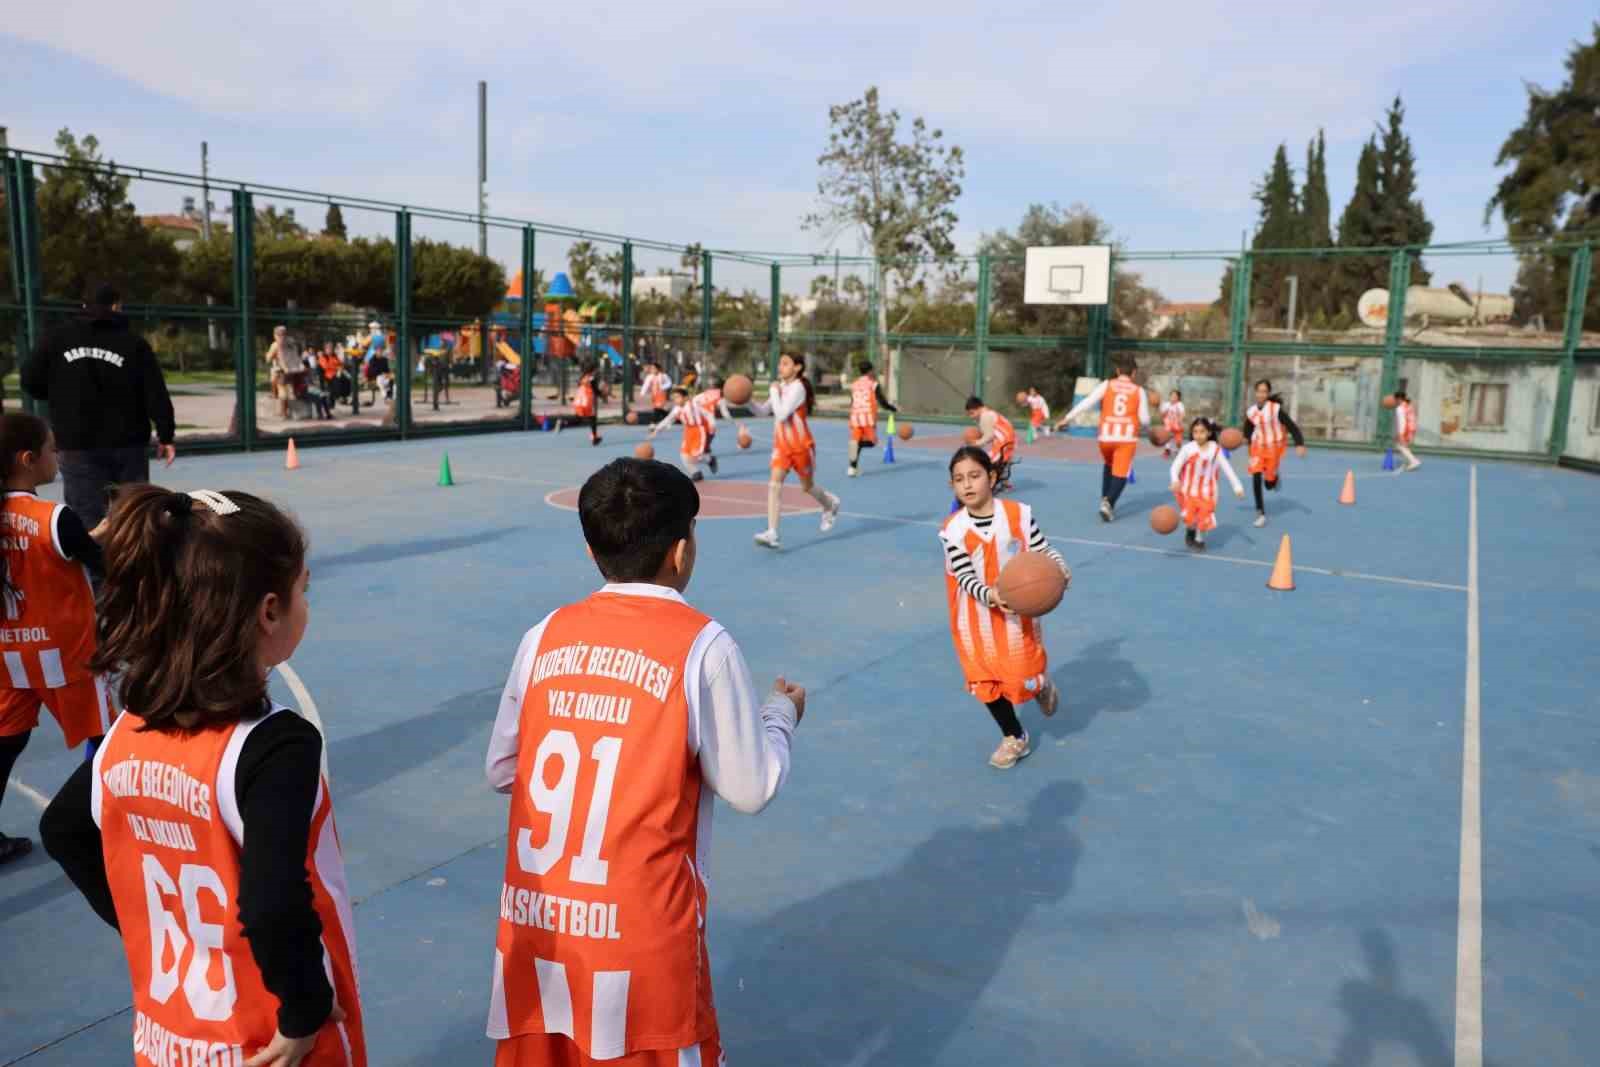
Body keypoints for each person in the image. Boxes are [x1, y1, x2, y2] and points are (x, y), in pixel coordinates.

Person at [484, 457, 804, 1066]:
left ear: (590, 551)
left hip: (539, 929)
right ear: (681, 552)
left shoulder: (543, 636)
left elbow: (503, 769)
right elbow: (752, 785)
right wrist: (779, 715)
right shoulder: (702, 645)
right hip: (640, 944)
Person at [41, 485, 366, 1066]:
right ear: (269, 611)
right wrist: (303, 1008)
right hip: (261, 1035)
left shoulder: (127, 731)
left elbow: (63, 830)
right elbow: (271, 902)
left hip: (171, 1034)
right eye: (303, 591)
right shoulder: (272, 746)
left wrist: (154, 928)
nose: (306, 604)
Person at [0, 414, 111, 865]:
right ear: (29, 460)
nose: (57, 457)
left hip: (8, 657)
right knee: (105, 743)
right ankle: (103, 825)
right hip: (66, 658)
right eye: (51, 449)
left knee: (5, 743)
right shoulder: (54, 516)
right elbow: (100, 563)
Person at [941, 446, 1067, 769]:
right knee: (984, 681)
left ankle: (1039, 683)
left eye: (974, 476)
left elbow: (1042, 549)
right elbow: (964, 576)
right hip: (974, 618)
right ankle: (1014, 736)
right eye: (958, 479)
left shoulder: (1018, 515)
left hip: (1016, 618)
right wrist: (990, 595)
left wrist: (1058, 568)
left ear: (992, 477)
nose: (967, 485)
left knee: (1021, 678)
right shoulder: (952, 530)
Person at [20, 283, 177, 530]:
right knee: (132, 513)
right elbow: (155, 392)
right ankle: (130, 564)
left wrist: (61, 398)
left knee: (86, 517)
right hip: (127, 442)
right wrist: (166, 434)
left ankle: (93, 566)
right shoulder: (133, 343)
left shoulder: (56, 338)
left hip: (76, 442)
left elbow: (29, 379)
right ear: (116, 306)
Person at [749, 353, 841, 550]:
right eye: (780, 363)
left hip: (801, 446)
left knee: (807, 487)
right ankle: (772, 532)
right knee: (774, 485)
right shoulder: (780, 387)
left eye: (785, 363)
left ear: (797, 367)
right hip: (782, 447)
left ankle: (830, 504)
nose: (780, 367)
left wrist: (773, 391)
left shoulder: (798, 388)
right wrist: (746, 399)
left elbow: (781, 414)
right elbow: (763, 412)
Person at [1054, 358, 1149, 522]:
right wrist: (1147, 429)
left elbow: (1087, 402)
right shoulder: (1138, 391)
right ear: (1134, 373)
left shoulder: (1108, 384)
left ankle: (1105, 498)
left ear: (1118, 371)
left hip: (1105, 437)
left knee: (1109, 465)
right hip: (1126, 437)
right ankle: (1108, 502)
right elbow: (1145, 419)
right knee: (1122, 473)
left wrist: (1067, 418)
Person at [1168, 416, 1245, 553]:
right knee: (1191, 519)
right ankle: (1191, 530)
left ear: (1209, 433)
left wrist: (1237, 487)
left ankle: (1199, 539)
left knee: (1204, 516)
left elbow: (1227, 468)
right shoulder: (1188, 449)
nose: (1198, 435)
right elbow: (1175, 467)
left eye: (1202, 431)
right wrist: (1175, 480)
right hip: (1188, 490)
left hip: (1209, 491)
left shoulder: (1215, 449)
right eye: (1195, 432)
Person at [1242, 379, 1308, 528]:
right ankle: (1260, 513)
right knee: (1256, 476)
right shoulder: (1251, 411)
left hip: (1273, 446)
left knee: (1269, 484)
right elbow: (1248, 427)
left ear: (1268, 393)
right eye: (1259, 391)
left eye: (1264, 391)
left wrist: (1299, 444)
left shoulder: (1275, 409)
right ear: (1255, 392)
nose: (1261, 394)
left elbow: (1292, 427)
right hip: (1257, 446)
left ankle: (1274, 478)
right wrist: (1245, 438)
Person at [647, 385, 717, 481]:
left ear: (685, 397)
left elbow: (707, 414)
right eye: (674, 398)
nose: (675, 400)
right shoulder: (677, 409)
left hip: (699, 431)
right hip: (688, 432)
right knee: (684, 456)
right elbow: (668, 419)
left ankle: (710, 460)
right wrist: (657, 430)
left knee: (696, 456)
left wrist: (712, 425)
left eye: (677, 397)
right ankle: (696, 473)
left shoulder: (694, 405)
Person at [846, 361, 897, 477]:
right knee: (872, 442)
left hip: (855, 416)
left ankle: (852, 468)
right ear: (870, 371)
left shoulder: (854, 384)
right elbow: (882, 401)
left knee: (855, 442)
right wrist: (892, 408)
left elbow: (852, 401)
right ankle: (855, 455)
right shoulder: (873, 384)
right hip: (867, 417)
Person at [964, 396, 1017, 492]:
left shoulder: (985, 416)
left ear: (979, 408)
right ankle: (1005, 484)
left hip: (1003, 442)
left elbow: (989, 436)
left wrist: (976, 443)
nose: (971, 416)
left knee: (985, 462)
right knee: (1001, 462)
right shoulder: (990, 413)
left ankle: (986, 486)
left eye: (972, 413)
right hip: (1008, 440)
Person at [1393, 391, 1421, 472]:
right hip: (1412, 428)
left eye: (1396, 399)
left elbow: (1402, 421)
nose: (1395, 401)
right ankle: (1408, 462)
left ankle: (1414, 461)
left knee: (1400, 445)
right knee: (1404, 446)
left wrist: (1400, 434)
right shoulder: (1409, 405)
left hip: (1406, 428)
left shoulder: (1400, 408)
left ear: (1399, 399)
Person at [1160, 389, 1185, 458]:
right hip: (1168, 424)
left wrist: (1180, 420)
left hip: (1177, 424)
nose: (1173, 397)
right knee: (1167, 437)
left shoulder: (1180, 405)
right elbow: (1162, 414)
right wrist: (1165, 411)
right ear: (1170, 396)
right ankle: (1167, 450)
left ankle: (1177, 450)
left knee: (1178, 441)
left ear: (1178, 398)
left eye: (1175, 396)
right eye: (1172, 396)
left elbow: (1182, 414)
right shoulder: (1166, 404)